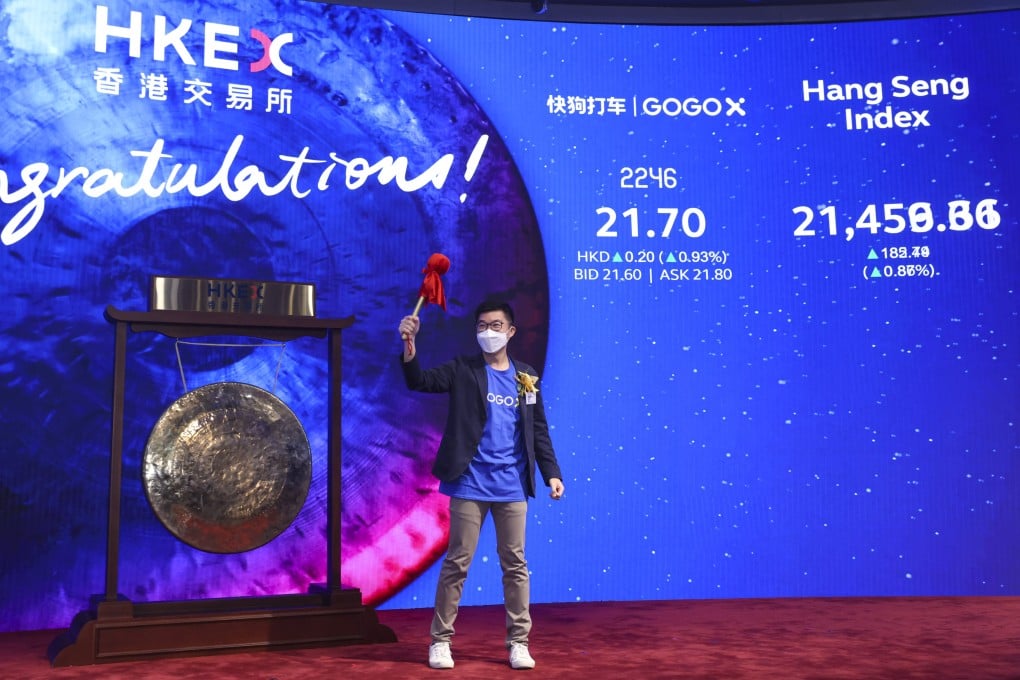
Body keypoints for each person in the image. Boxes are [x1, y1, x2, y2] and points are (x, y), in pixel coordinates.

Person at [398, 299, 565, 671]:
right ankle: (440, 641)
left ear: (511, 332)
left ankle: (518, 642)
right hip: (470, 483)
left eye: (495, 326)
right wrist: (410, 348)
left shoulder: (526, 377)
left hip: (511, 486)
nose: (488, 333)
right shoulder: (463, 369)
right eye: (482, 327)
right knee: (457, 562)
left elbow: (538, 430)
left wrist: (552, 473)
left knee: (515, 565)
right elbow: (420, 381)